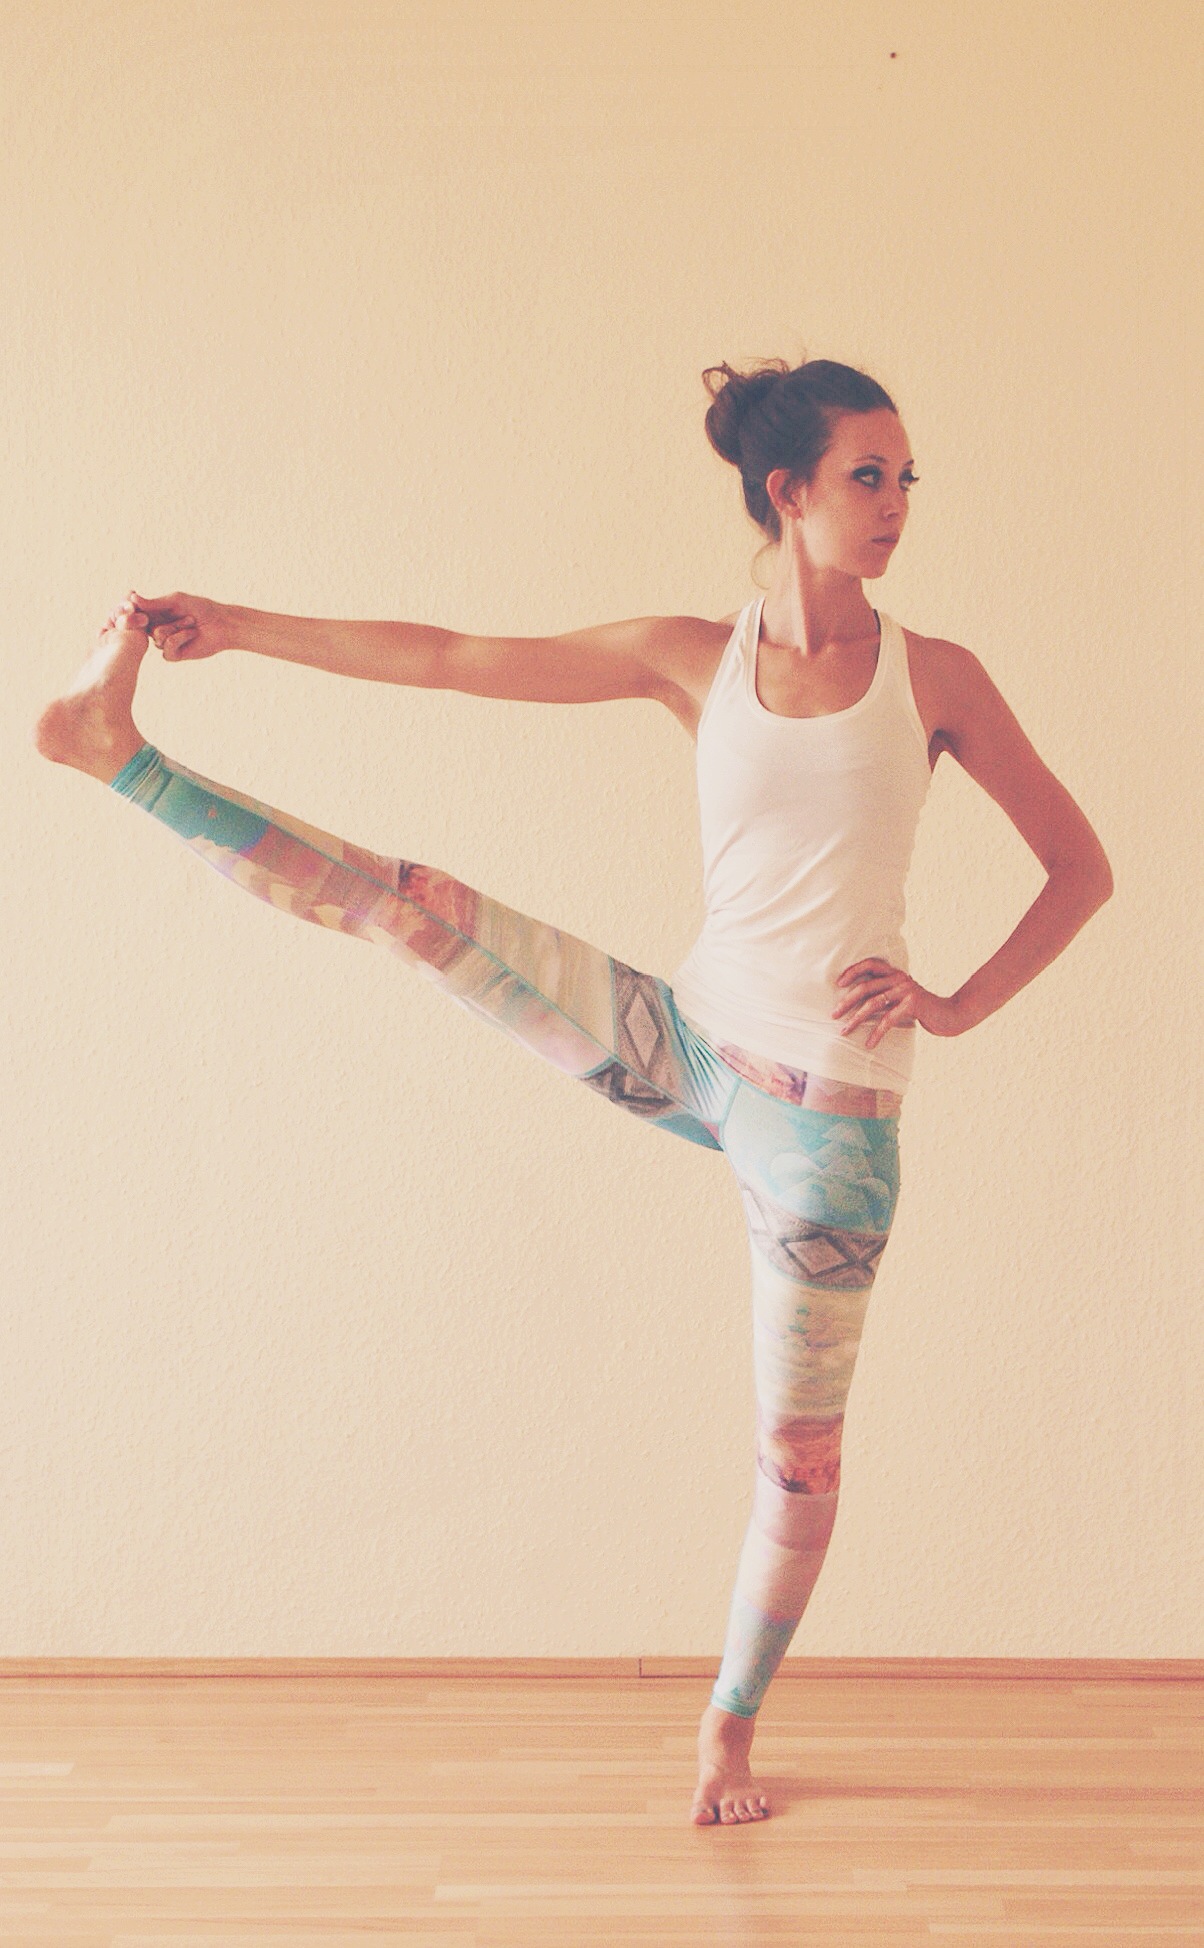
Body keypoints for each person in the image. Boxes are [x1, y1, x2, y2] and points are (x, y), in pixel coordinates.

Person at [34, 355, 1113, 1826]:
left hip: (830, 1124)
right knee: (416, 908)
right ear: (789, 492)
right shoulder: (692, 658)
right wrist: (239, 625)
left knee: (798, 1465)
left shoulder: (940, 679)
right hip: (686, 1040)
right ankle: (120, 757)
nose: (898, 504)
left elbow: (1079, 867)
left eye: (906, 478)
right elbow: (450, 657)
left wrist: (957, 1002)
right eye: (870, 476)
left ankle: (728, 1728)